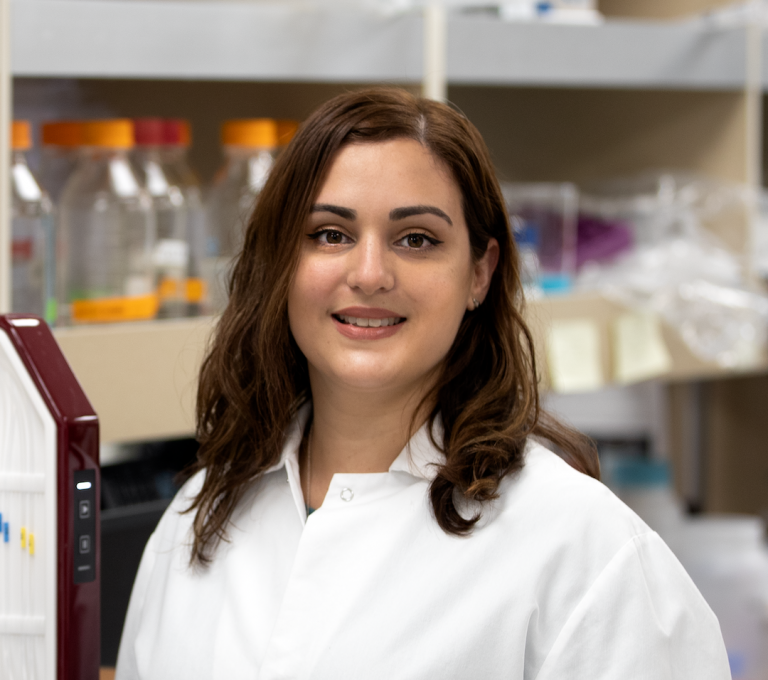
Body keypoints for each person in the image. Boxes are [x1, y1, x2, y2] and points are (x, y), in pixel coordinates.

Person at [116, 88, 730, 680]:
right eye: (330, 233)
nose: (370, 273)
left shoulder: (582, 548)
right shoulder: (201, 513)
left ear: (480, 274)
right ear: (281, 262)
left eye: (417, 239)